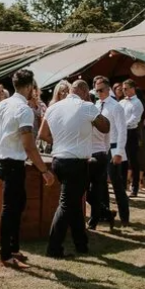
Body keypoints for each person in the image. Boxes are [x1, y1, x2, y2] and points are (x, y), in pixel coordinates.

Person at [0, 69, 54, 268]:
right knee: (10, 209)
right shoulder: (23, 110)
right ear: (28, 87)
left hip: (0, 160)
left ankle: (13, 248)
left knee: (17, 205)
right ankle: (5, 255)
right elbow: (28, 145)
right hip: (12, 163)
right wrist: (44, 170)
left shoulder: (1, 105)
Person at [38, 80, 109, 258]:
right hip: (75, 163)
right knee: (66, 204)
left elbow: (42, 134)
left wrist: (62, 143)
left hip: (58, 161)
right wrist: (94, 110)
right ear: (85, 91)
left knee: (75, 202)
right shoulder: (86, 106)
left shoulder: (53, 107)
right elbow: (105, 127)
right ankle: (53, 248)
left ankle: (81, 244)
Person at [89, 77, 127, 229]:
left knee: (117, 185)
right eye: (96, 91)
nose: (99, 94)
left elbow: (122, 130)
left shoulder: (115, 106)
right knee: (101, 185)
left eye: (101, 90)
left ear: (108, 89)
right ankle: (103, 214)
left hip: (113, 147)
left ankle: (125, 216)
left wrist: (119, 152)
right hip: (100, 148)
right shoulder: (96, 104)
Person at [120, 79, 145, 197]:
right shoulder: (122, 102)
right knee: (122, 160)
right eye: (123, 89)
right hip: (121, 133)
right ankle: (122, 185)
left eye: (125, 88)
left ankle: (134, 187)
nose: (123, 91)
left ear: (132, 88)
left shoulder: (137, 103)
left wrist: (122, 125)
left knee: (133, 160)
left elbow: (135, 119)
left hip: (131, 133)